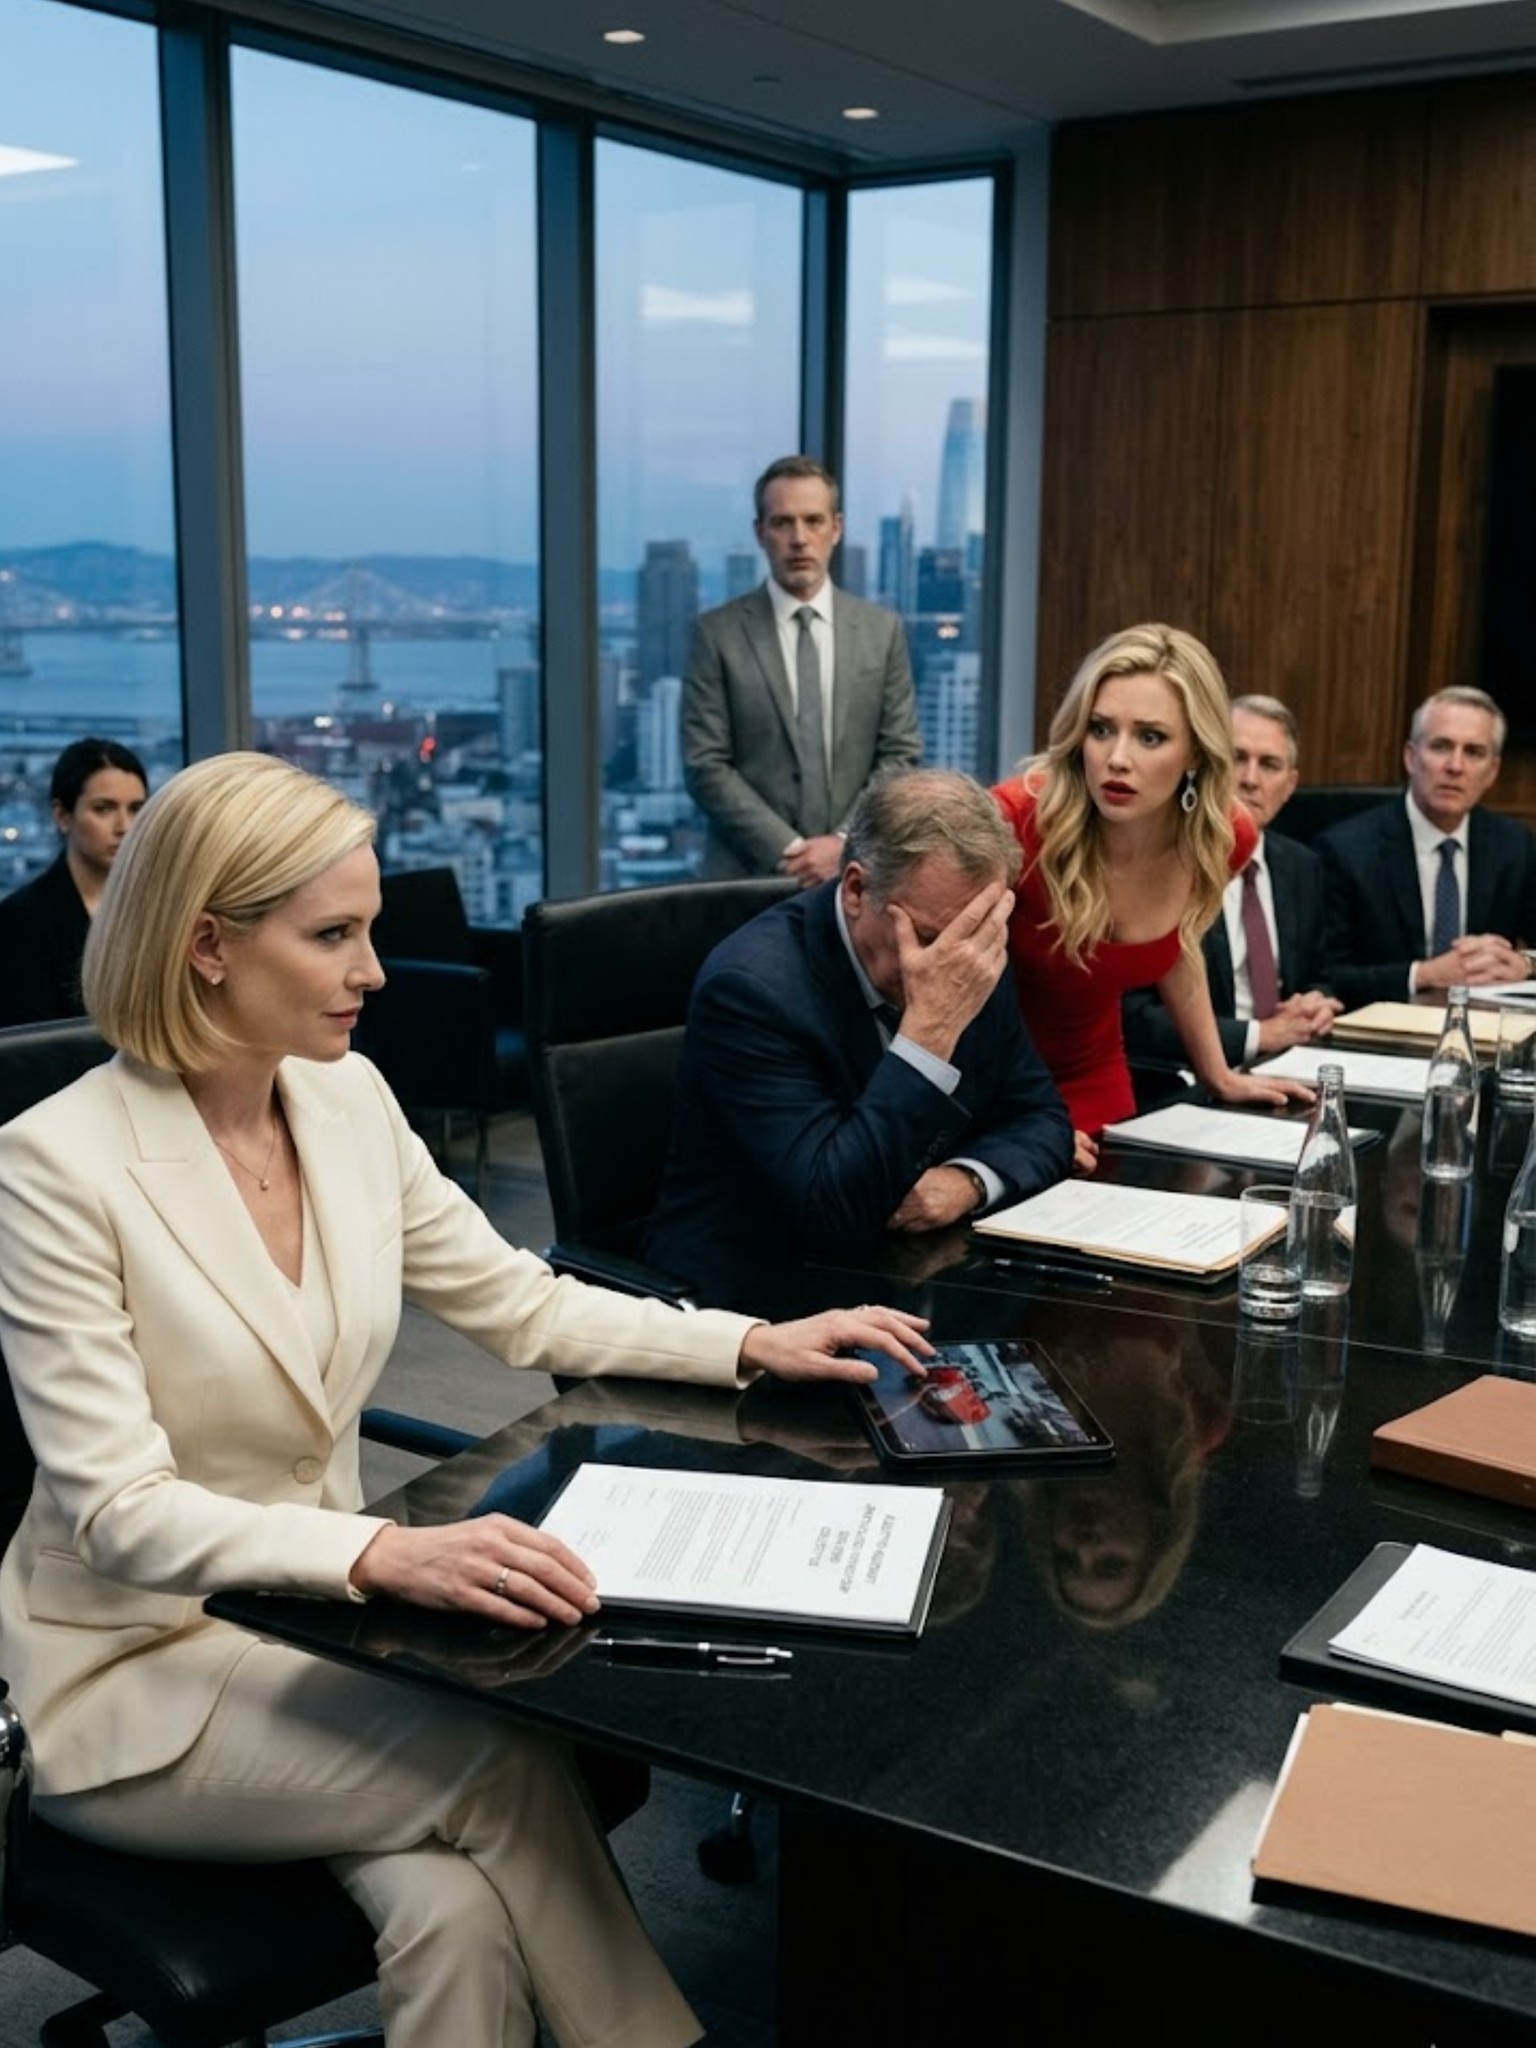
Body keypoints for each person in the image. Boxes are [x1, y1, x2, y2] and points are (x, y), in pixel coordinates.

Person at [0, 751, 932, 2048]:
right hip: (126, 1674)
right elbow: (120, 1510)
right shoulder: (55, 1166)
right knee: (503, 1757)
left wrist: (750, 1340)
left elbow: (519, 1302)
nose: (375, 972)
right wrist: (381, 1551)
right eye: (332, 936)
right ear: (208, 945)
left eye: (369, 929)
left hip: (302, 1640)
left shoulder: (343, 1097)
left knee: (453, 1915)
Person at [646, 767, 1074, 1311]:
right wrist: (928, 1036)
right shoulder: (752, 991)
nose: (950, 963)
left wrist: (966, 1181)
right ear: (856, 890)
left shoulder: (968, 948)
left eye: (970, 935)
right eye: (926, 937)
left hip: (904, 1279)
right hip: (756, 1302)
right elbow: (835, 1210)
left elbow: (1043, 1120)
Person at [992, 625, 1312, 1169]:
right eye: (1101, 729)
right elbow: (936, 990)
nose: (1117, 758)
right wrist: (1022, 1129)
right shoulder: (1012, 823)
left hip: (1094, 1078)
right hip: (990, 1089)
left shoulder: (1223, 836)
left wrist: (1217, 1072)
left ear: (1196, 753)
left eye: (1150, 737)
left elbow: (1178, 943)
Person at [682, 454, 921, 884]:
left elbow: (900, 754)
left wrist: (844, 843)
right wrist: (791, 851)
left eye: (813, 520)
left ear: (837, 528)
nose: (799, 538)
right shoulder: (716, 634)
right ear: (760, 532)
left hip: (854, 877)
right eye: (782, 522)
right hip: (744, 878)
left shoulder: (881, 631)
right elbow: (705, 764)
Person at [1122, 694, 1339, 1069]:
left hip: (1290, 1064)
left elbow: (1320, 975)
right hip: (1192, 1076)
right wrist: (1258, 1035)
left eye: (1269, 765)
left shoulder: (1302, 866)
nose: (1250, 780)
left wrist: (1316, 1002)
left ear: (1289, 785)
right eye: (1237, 758)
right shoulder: (1162, 863)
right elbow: (1133, 1015)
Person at [1316, 686, 1536, 1007]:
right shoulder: (1346, 850)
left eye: (1473, 752)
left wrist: (1526, 964)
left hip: (1484, 1025)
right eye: (1441, 746)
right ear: (1411, 757)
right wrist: (1424, 974)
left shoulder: (1515, 844)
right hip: (1385, 1027)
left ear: (1492, 772)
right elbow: (1326, 976)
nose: (1455, 766)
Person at [0, 735, 147, 1026]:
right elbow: (27, 1041)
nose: (124, 826)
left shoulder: (156, 908)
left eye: (135, 809)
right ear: (62, 816)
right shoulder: (21, 920)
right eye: (103, 808)